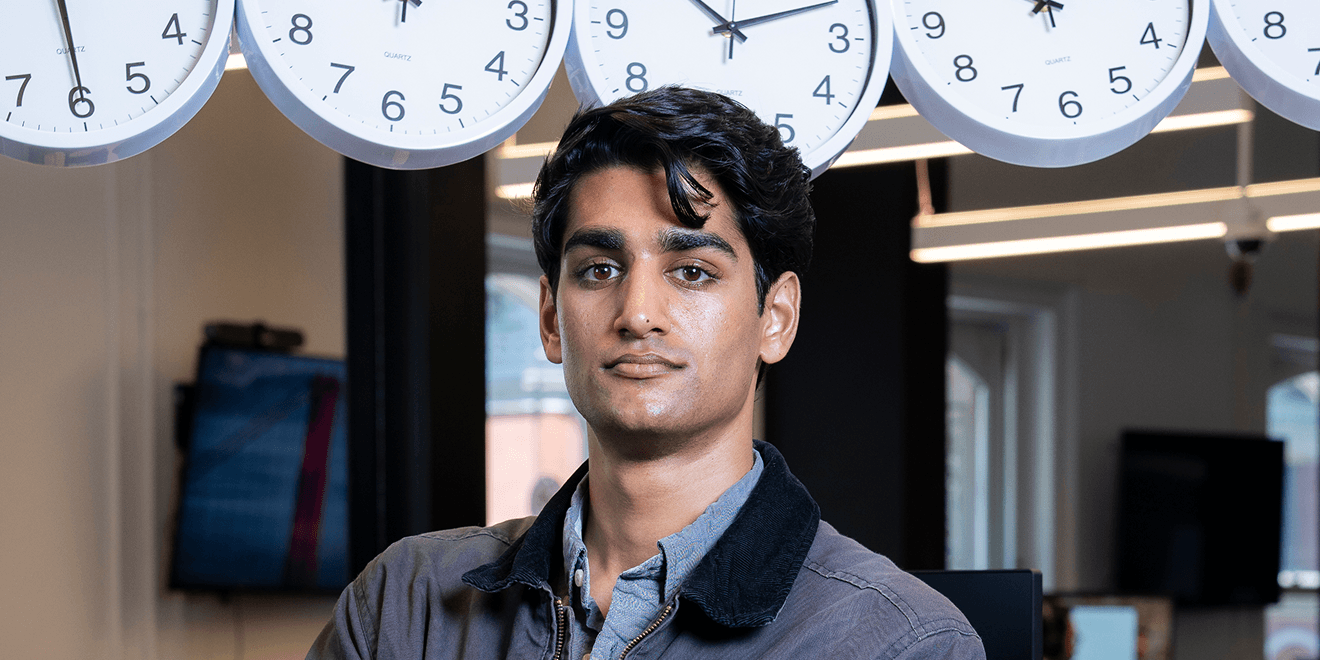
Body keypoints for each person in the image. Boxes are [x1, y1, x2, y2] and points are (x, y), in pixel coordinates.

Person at [307, 87, 985, 660]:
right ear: (550, 317)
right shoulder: (405, 604)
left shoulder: (897, 642)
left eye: (691, 272)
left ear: (774, 317)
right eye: (599, 270)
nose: (636, 314)